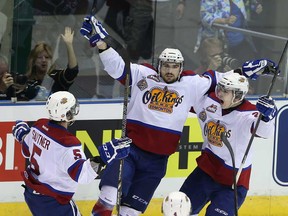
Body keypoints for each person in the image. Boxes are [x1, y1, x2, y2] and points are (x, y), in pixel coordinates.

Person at [79, 15, 278, 216]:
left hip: (157, 162)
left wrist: (245, 72)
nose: (169, 70)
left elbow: (225, 84)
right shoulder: (143, 74)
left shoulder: (191, 84)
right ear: (159, 64)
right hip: (130, 151)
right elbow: (117, 68)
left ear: (181, 67)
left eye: (174, 66)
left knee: (130, 212)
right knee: (109, 195)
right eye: (166, 65)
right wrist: (102, 44)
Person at [11, 91, 132, 216]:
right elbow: (82, 175)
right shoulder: (68, 143)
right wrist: (103, 158)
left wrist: (23, 134)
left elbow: (27, 149)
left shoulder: (39, 125)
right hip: (54, 202)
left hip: (32, 195)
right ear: (67, 114)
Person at [179, 73, 277, 215]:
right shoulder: (210, 101)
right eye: (220, 88)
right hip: (205, 172)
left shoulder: (249, 114)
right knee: (179, 209)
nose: (220, 94)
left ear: (237, 95)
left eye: (225, 91)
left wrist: (267, 117)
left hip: (232, 183)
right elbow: (186, 96)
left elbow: (264, 132)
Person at [194, 0, 263, 64]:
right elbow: (205, 17)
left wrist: (255, 7)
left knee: (250, 67)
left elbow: (247, 5)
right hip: (217, 42)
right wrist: (224, 21)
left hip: (240, 40)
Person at [20, 26, 78, 100]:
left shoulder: (57, 77)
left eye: (47, 57)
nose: (44, 60)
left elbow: (73, 71)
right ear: (33, 61)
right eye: (40, 57)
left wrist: (69, 45)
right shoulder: (26, 81)